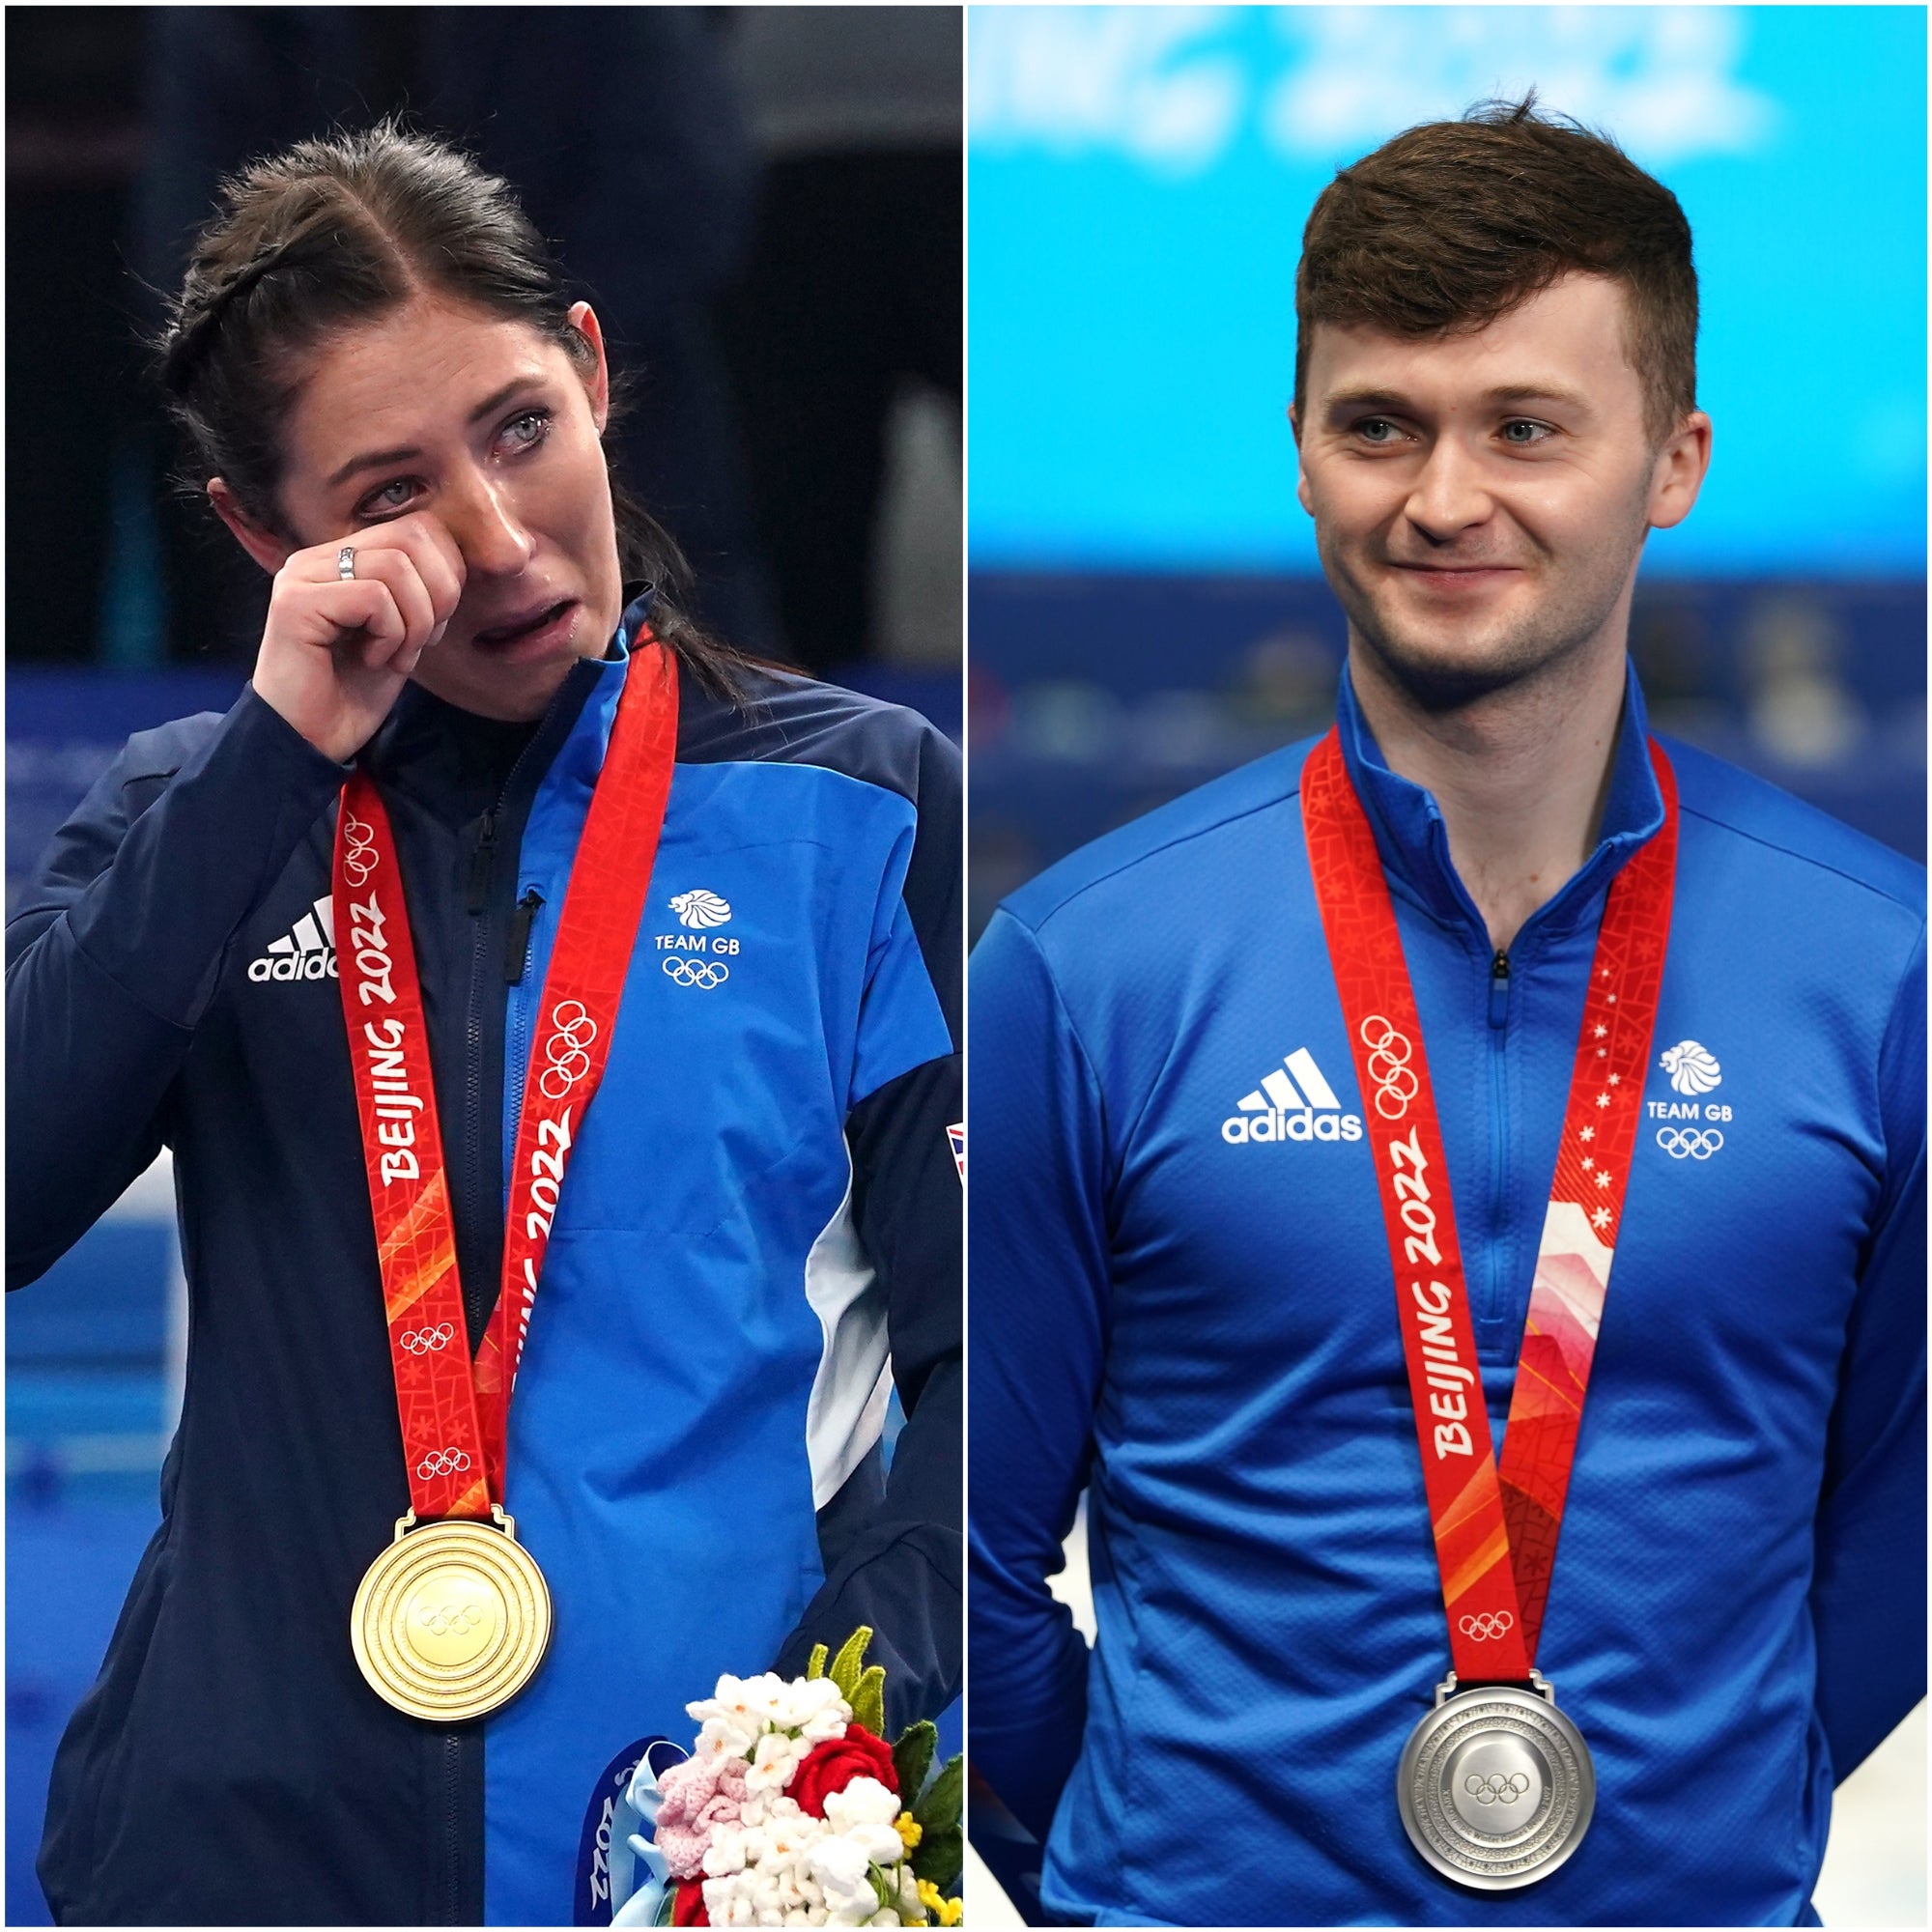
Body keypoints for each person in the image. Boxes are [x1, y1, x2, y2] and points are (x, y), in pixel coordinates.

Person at [969, 99, 1922, 1926]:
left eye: (1527, 429)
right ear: (1304, 455)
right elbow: (980, 1557)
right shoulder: (1087, 964)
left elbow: (1907, 1531)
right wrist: (1143, 1871)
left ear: (1675, 461)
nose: (1445, 497)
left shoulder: (1883, 971)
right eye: (1379, 425)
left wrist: (1698, 1835)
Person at [8, 123, 959, 1927]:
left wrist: (844, 1723)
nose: (501, 539)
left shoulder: (866, 804)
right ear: (262, 532)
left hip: (706, 1861)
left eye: (522, 428)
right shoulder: (185, 819)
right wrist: (269, 765)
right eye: (389, 494)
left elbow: (1002, 1352)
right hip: (236, 1861)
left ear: (595, 371)